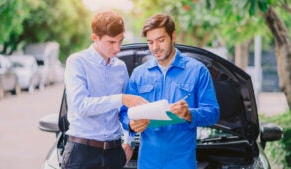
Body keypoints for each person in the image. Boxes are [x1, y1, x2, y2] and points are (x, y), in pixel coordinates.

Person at [124, 14, 220, 169]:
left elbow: (213, 113)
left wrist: (189, 114)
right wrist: (131, 123)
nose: (155, 47)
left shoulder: (197, 71)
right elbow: (124, 112)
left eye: (161, 40)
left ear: (173, 36)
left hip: (182, 163)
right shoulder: (139, 74)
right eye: (150, 42)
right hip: (147, 163)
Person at [62, 10, 147, 169]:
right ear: (95, 37)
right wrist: (120, 98)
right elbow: (82, 106)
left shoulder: (120, 68)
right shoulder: (77, 62)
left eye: (120, 41)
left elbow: (125, 111)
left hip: (114, 154)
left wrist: (128, 141)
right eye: (111, 42)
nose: (118, 48)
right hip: (82, 154)